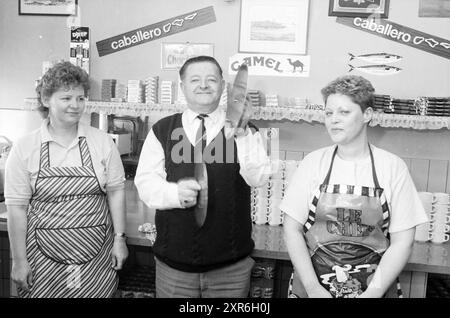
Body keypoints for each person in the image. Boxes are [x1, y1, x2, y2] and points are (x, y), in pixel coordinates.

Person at [135, 55, 271, 298]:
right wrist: (175, 193)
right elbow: (145, 183)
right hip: (174, 267)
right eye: (195, 79)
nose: (204, 85)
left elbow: (258, 177)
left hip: (230, 268)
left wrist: (241, 134)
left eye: (211, 79)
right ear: (182, 86)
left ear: (222, 85)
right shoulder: (163, 130)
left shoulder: (246, 131)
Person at [280, 75, 428, 298]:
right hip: (313, 286)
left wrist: (374, 292)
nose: (333, 120)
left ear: (367, 115)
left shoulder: (392, 167)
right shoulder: (313, 163)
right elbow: (292, 229)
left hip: (374, 286)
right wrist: (313, 288)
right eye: (329, 113)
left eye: (344, 112)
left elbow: (402, 242)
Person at [5, 61, 128, 298]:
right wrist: (19, 261)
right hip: (41, 260)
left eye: (81, 99)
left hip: (96, 258)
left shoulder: (101, 142)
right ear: (45, 100)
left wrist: (120, 239)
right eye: (66, 98)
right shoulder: (25, 147)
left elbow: (116, 191)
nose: (75, 105)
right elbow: (17, 209)